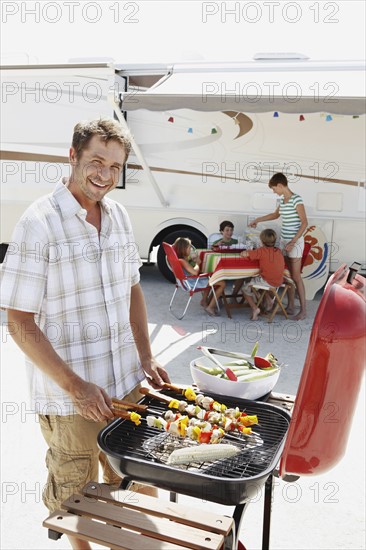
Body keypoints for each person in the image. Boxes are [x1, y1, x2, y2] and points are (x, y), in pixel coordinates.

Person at [0, 118, 170, 550]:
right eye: (97, 161)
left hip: (125, 385)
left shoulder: (120, 217)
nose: (106, 175)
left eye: (116, 167)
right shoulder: (38, 224)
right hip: (69, 398)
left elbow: (133, 288)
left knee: (134, 482)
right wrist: (76, 387)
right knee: (78, 501)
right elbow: (19, 321)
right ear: (72, 156)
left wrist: (146, 356)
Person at [249, 172, 308, 320]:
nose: (274, 191)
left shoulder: (297, 199)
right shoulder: (282, 200)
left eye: (274, 188)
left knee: (295, 276)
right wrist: (258, 219)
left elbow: (304, 222)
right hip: (284, 241)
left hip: (294, 242)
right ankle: (291, 307)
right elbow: (275, 215)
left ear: (281, 185)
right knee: (287, 275)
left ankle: (303, 310)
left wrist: (293, 241)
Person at [240, 229, 285, 320]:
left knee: (245, 288)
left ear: (261, 241)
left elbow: (245, 254)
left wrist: (243, 252)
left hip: (267, 281)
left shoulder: (261, 251)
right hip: (279, 281)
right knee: (258, 283)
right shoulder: (278, 251)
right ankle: (268, 300)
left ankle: (255, 308)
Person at [173, 237, 225, 316]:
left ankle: (204, 301)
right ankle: (210, 307)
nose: (190, 249)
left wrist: (193, 261)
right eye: (189, 247)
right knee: (222, 283)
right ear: (183, 248)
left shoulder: (180, 259)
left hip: (186, 281)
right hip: (191, 283)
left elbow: (191, 271)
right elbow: (194, 273)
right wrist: (197, 263)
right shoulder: (182, 261)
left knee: (211, 279)